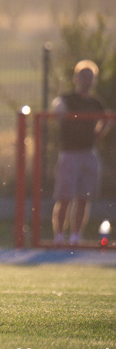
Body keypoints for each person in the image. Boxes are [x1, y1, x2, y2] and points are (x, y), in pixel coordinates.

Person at [51, 60, 110, 246]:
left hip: (88, 152)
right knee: (65, 196)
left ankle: (76, 235)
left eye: (90, 77)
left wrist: (98, 134)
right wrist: (58, 109)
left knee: (84, 197)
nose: (87, 80)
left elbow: (106, 118)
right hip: (69, 153)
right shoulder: (68, 99)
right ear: (76, 78)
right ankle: (59, 235)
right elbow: (57, 104)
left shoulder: (95, 103)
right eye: (83, 76)